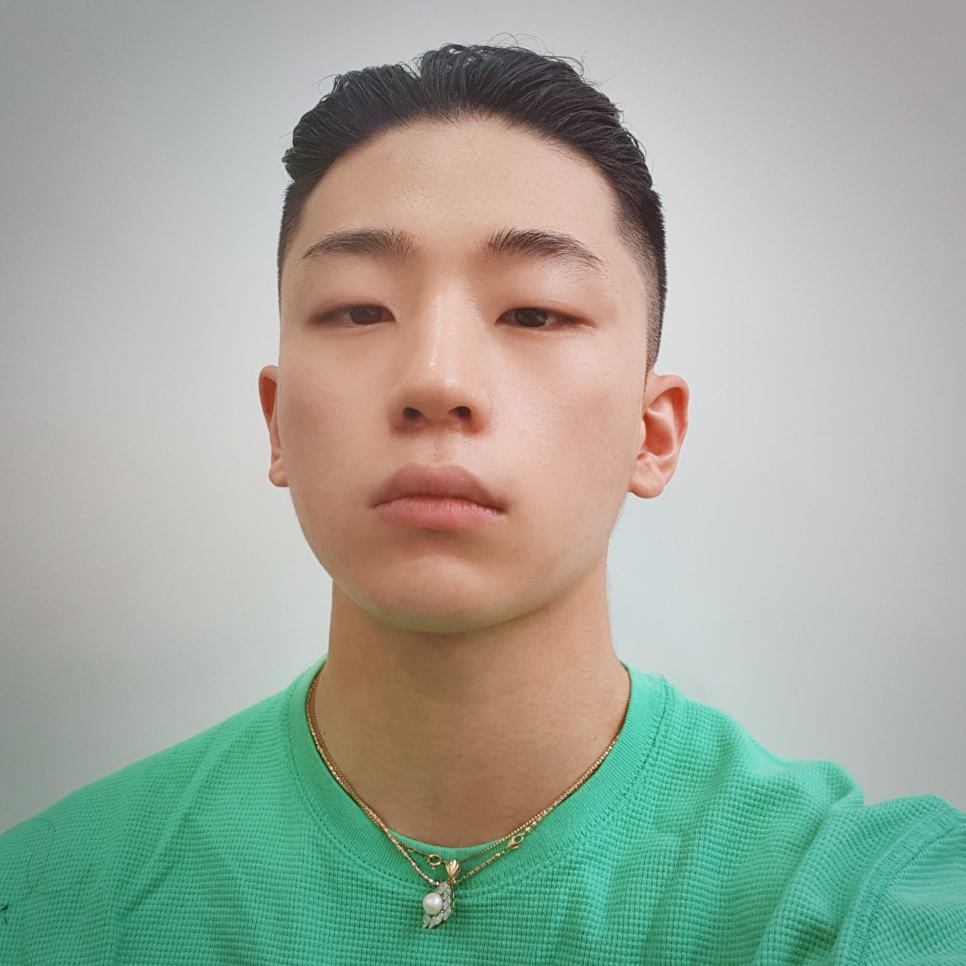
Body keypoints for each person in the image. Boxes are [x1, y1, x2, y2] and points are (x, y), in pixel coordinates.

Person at [1, 42, 963, 965]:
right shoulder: (45, 908)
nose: (436, 379)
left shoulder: (867, 907)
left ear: (652, 432)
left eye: (534, 311)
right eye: (359, 309)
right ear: (278, 423)